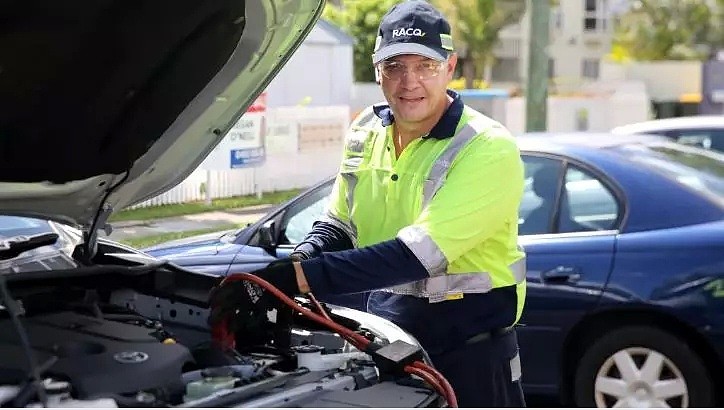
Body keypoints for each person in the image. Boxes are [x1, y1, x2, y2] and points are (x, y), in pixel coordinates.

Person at [209, 0, 527, 407]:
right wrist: (288, 270)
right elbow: (339, 226)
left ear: (450, 67)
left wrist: (296, 279)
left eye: (424, 66)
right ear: (377, 71)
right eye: (394, 67)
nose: (409, 81)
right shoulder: (365, 131)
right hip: (391, 344)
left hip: (471, 357)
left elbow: (418, 255)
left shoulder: (486, 147)